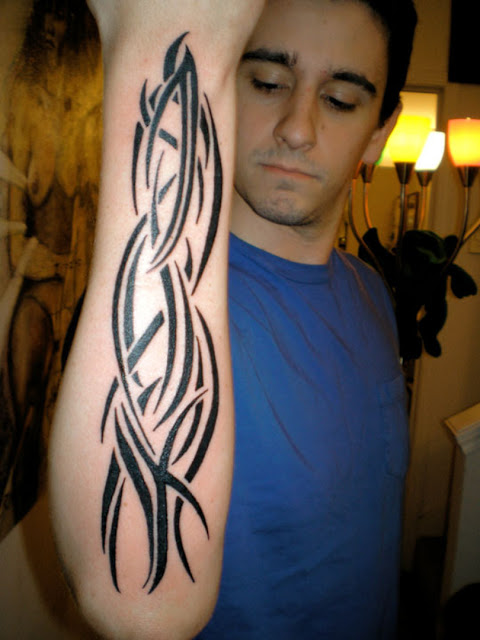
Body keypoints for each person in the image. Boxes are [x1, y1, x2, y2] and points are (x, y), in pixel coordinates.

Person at [49, 1, 417, 638]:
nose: (297, 129)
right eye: (268, 82)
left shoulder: (371, 292)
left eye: (340, 100)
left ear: (381, 131)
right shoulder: (158, 307)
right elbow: (138, 606)